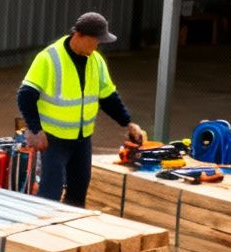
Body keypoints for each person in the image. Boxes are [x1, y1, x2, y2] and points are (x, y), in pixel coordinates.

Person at [18, 12, 147, 206]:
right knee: (50, 194)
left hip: (82, 141)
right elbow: (25, 95)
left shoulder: (96, 61)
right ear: (78, 35)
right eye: (95, 40)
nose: (97, 46)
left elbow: (109, 97)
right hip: (54, 141)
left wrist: (128, 122)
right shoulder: (49, 58)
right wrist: (35, 129)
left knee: (78, 194)